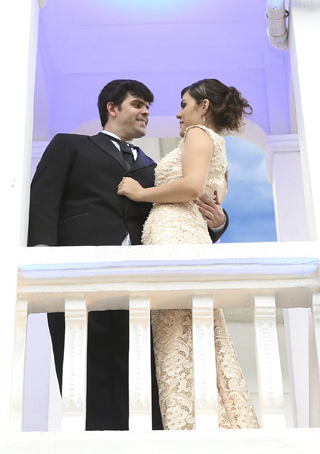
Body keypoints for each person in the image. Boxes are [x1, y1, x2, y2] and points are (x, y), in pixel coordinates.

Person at [27, 79, 228, 431]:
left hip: (142, 283)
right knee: (83, 376)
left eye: (148, 107)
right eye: (138, 104)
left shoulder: (153, 168)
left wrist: (219, 224)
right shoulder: (69, 145)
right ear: (112, 107)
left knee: (142, 379)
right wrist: (42, 258)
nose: (146, 112)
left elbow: (180, 208)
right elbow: (44, 200)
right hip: (79, 275)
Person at [116, 78, 259, 430]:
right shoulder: (219, 152)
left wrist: (140, 193)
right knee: (192, 330)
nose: (179, 114)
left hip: (174, 235)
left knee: (177, 331)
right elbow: (210, 203)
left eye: (184, 104)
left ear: (203, 106)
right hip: (187, 234)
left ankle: (189, 422)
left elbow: (193, 187)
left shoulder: (198, 134)